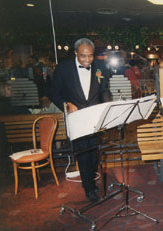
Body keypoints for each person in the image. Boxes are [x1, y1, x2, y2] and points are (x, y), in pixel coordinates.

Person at [50, 38, 110, 203]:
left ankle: (90, 180)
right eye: (83, 56)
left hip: (95, 117)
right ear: (76, 53)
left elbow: (104, 89)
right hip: (77, 118)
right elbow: (54, 93)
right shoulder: (63, 69)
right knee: (83, 154)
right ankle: (89, 188)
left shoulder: (99, 67)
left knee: (94, 152)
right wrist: (67, 104)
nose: (87, 60)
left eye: (90, 56)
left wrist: (106, 107)